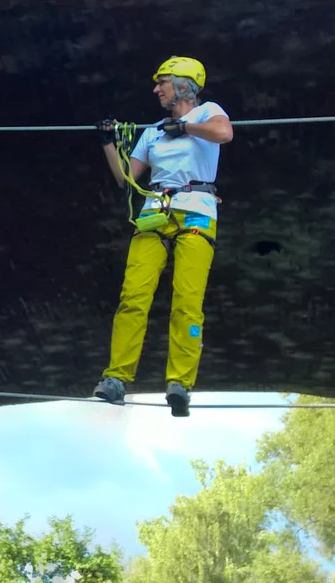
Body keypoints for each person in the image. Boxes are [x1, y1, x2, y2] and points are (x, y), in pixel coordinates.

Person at [93, 56, 234, 417]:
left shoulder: (206, 113)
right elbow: (127, 179)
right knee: (133, 297)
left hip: (197, 210)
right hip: (155, 212)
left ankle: (180, 384)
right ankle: (116, 378)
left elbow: (224, 133)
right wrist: (109, 143)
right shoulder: (153, 130)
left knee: (187, 301)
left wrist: (185, 128)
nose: (157, 89)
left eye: (163, 83)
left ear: (184, 85)